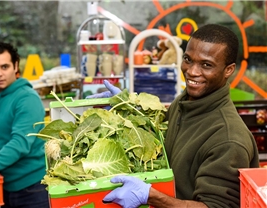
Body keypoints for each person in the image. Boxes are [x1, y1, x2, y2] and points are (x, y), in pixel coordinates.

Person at [87, 24, 260, 208]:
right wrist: (125, 106)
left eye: (206, 65)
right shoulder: (185, 101)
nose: (192, 71)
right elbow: (159, 134)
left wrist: (150, 196)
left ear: (228, 70)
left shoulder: (228, 139)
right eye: (188, 59)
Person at [0, 42, 50, 208]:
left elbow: (19, 144)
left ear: (15, 66)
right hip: (5, 187)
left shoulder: (27, 99)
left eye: (4, 67)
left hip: (32, 190)